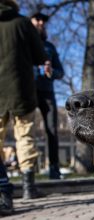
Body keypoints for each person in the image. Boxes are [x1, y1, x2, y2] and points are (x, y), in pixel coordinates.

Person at [0, 0, 46, 202]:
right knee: (25, 136)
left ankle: (2, 188)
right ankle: (28, 188)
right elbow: (39, 55)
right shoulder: (23, 23)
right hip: (21, 90)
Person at [31, 12, 64, 179]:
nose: (41, 23)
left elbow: (60, 72)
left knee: (52, 130)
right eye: (37, 19)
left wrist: (51, 71)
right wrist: (36, 70)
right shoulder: (24, 44)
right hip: (28, 91)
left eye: (43, 21)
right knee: (25, 131)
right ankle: (28, 171)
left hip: (47, 93)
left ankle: (54, 168)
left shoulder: (50, 47)